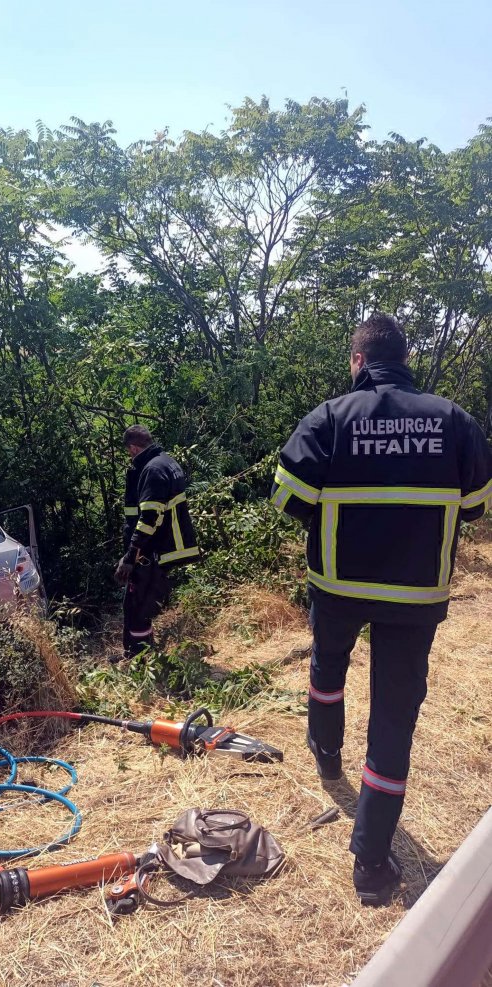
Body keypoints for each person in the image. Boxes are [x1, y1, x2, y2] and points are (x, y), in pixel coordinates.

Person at [270, 313, 491, 905]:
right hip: (415, 595)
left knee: (327, 670)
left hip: (339, 585)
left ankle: (325, 751)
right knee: (394, 722)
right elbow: (475, 506)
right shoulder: (456, 422)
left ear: (358, 361)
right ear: (405, 359)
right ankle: (370, 864)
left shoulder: (331, 417)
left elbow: (287, 497)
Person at [112, 426, 200, 663]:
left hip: (152, 550)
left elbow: (149, 518)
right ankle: (144, 654)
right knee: (141, 602)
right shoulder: (167, 463)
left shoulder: (151, 470)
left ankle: (138, 659)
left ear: (133, 448)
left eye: (129, 452)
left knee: (136, 606)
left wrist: (130, 557)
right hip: (162, 547)